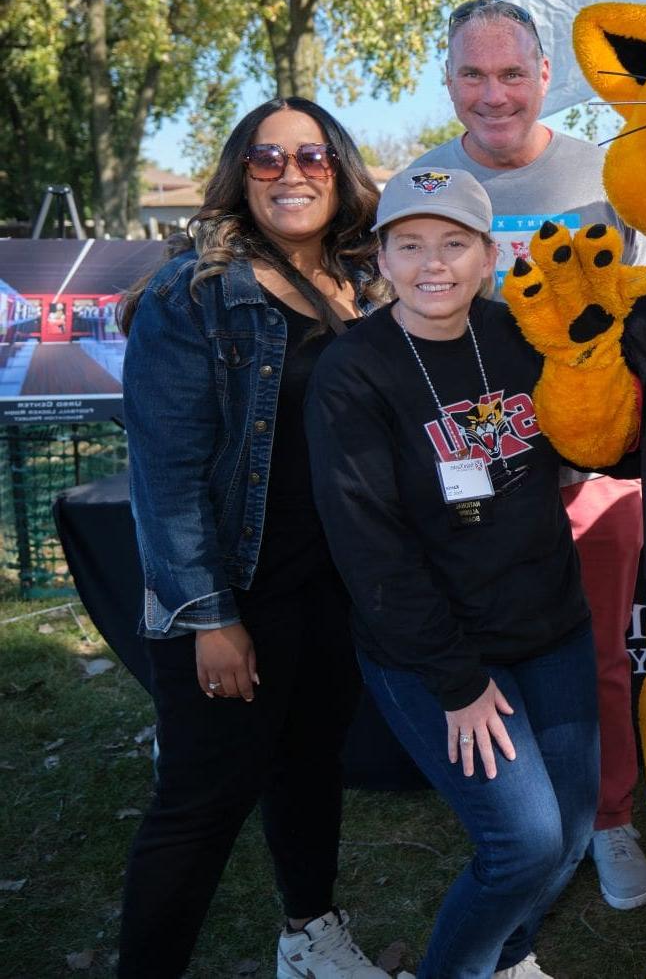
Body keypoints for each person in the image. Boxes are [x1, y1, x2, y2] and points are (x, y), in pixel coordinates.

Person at [115, 98, 390, 979]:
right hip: (233, 595)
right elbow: (167, 475)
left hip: (332, 591)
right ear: (241, 176)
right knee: (200, 802)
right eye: (266, 159)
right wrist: (208, 617)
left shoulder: (370, 283)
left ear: (341, 169)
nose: (291, 172)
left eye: (311, 154)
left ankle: (310, 935)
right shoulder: (192, 292)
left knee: (309, 767)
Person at [307, 168, 598, 979]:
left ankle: (507, 957)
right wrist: (457, 681)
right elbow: (371, 550)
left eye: (453, 243)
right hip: (434, 649)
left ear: (487, 255)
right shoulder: (354, 371)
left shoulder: (519, 336)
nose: (432, 264)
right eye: (410, 245)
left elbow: (593, 439)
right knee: (523, 841)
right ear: (382, 258)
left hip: (550, 626)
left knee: (572, 832)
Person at [412, 0, 646, 908]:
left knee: (597, 650)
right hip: (473, 470)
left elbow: (642, 314)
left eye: (512, 73)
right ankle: (524, 825)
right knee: (492, 653)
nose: (494, 93)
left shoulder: (609, 176)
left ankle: (613, 818)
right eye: (473, 74)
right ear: (449, 82)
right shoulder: (424, 183)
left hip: (592, 463)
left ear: (546, 77)